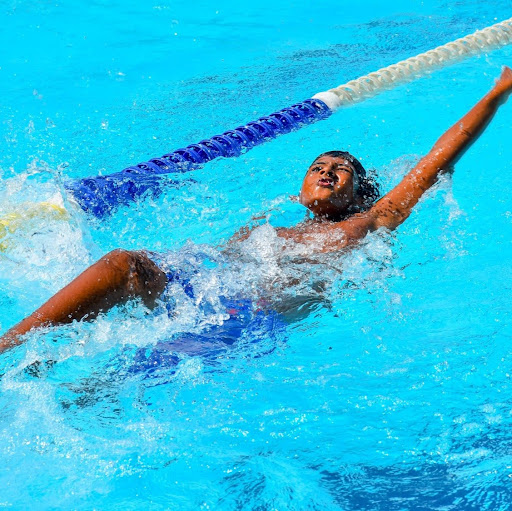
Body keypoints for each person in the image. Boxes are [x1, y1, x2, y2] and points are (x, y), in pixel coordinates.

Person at [1, 66, 512, 355]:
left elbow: (437, 160)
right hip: (202, 286)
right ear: (299, 191)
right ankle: (9, 345)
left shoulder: (367, 224)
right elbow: (204, 262)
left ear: (361, 195)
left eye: (341, 170)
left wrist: (498, 91)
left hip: (245, 319)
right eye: (318, 166)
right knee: (124, 264)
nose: (327, 172)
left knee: (109, 387)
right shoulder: (264, 230)